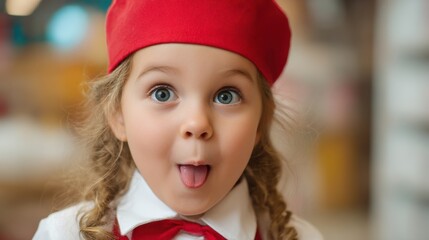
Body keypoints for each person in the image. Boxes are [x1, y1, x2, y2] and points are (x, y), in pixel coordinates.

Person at [33, 0, 323, 239]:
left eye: (226, 96)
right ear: (118, 115)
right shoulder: (64, 234)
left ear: (261, 122)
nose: (197, 124)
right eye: (162, 93)